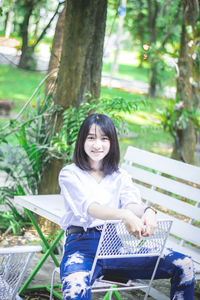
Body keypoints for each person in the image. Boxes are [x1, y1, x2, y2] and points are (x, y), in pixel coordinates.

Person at [58, 113, 194, 300]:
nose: (97, 145)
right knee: (75, 292)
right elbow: (91, 208)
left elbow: (131, 204)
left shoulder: (120, 175)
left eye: (104, 139)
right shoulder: (70, 174)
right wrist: (125, 216)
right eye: (91, 138)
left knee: (184, 265)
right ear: (82, 141)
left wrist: (148, 211)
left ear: (112, 142)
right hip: (82, 246)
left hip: (115, 246)